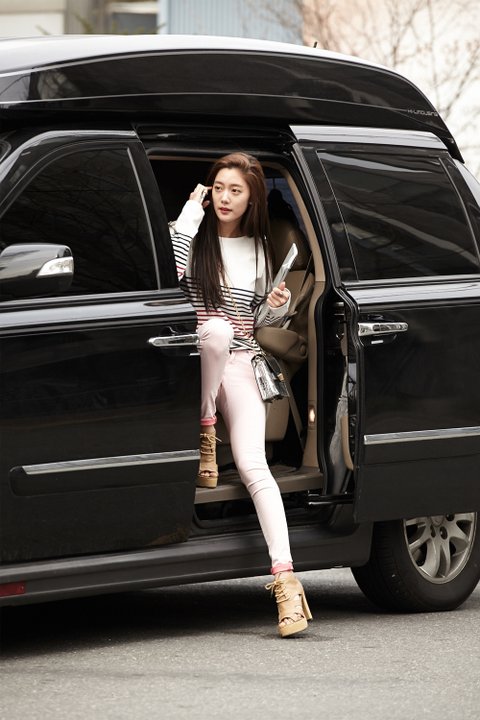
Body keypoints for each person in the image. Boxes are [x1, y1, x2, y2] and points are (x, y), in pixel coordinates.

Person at [170, 152, 312, 638]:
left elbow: (258, 324)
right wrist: (189, 215)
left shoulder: (259, 250)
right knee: (213, 329)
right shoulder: (190, 234)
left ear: (251, 199)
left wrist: (277, 306)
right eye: (219, 188)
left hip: (241, 360)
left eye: (236, 190)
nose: (225, 198)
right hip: (195, 357)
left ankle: (286, 581)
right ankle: (206, 428)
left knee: (255, 467)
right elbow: (168, 274)